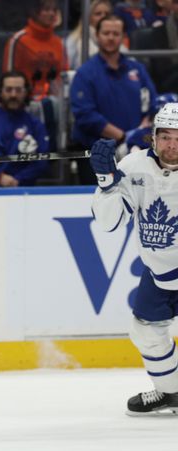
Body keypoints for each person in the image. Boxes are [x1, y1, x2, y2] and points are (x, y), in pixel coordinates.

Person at [90, 102, 178, 415]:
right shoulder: (135, 166)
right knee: (144, 331)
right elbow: (110, 222)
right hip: (159, 272)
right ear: (153, 137)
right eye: (166, 136)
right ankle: (172, 392)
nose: (172, 145)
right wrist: (107, 181)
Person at [70, 14, 158, 184]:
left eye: (116, 34)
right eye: (106, 33)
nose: (111, 38)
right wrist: (123, 137)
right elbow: (85, 115)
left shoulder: (137, 69)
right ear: (97, 35)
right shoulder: (85, 73)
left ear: (123, 37)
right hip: (98, 155)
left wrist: (139, 135)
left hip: (137, 152)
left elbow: (152, 104)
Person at [0, 71, 50, 187]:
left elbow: (42, 161)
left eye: (18, 90)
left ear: (26, 92)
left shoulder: (35, 125)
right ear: (0, 91)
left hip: (24, 192)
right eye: (9, 90)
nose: (13, 95)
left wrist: (18, 179)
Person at [2, 0, 68, 101]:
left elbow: (63, 76)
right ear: (35, 12)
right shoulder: (18, 40)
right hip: (23, 101)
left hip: (53, 102)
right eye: (46, 9)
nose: (51, 14)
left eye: (54, 10)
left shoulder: (59, 43)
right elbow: (8, 77)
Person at [65, 0, 116, 69]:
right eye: (98, 14)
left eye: (106, 14)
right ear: (88, 17)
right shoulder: (74, 40)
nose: (103, 17)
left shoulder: (115, 39)